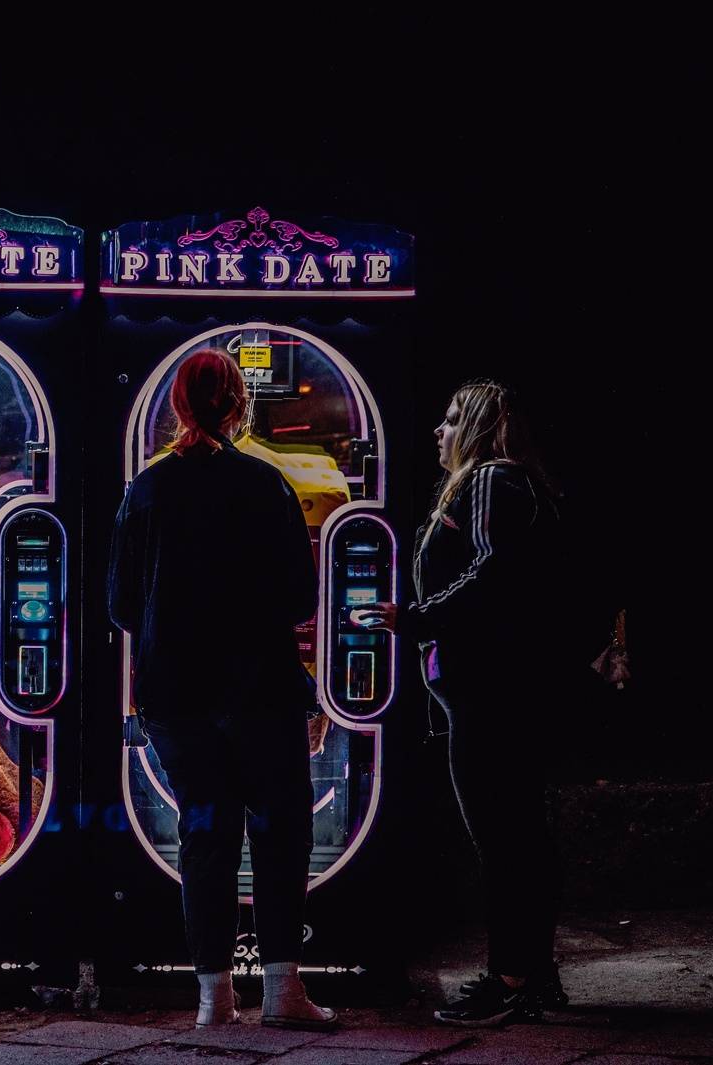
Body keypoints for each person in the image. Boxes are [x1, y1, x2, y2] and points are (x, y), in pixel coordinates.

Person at [109, 348, 336, 1031]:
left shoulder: (146, 490)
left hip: (174, 695)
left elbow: (121, 605)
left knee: (204, 837)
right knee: (279, 834)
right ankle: (283, 991)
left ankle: (214, 999)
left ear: (177, 407)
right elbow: (300, 597)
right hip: (261, 688)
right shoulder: (267, 484)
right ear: (239, 406)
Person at [357, 379, 570, 1026]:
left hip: (488, 689)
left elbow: (491, 572)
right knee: (520, 833)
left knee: (502, 837)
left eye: (452, 419)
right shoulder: (518, 485)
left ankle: (510, 978)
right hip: (509, 688)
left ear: (478, 427)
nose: (439, 430)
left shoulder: (488, 481)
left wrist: (415, 618)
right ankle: (533, 974)